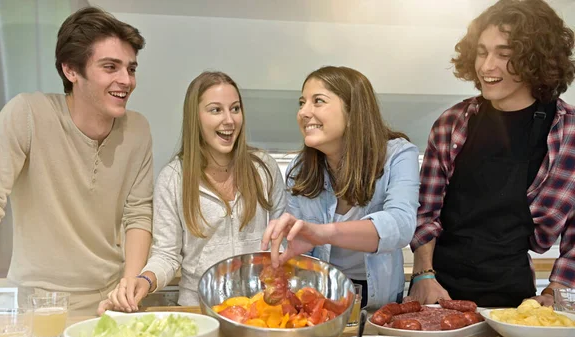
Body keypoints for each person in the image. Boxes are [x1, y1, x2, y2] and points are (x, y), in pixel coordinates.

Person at [0, 7, 153, 315]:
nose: (126, 80)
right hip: (38, 304)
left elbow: (138, 214)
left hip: (108, 300)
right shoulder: (27, 114)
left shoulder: (137, 130)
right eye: (110, 67)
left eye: (131, 69)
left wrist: (128, 286)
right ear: (71, 70)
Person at [409, 0, 575, 308]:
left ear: (536, 60)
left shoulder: (569, 134)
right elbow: (425, 211)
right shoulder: (452, 123)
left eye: (505, 54)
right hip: (437, 291)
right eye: (482, 52)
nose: (487, 67)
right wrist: (422, 276)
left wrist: (556, 290)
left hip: (514, 296)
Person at [98, 71, 286, 313]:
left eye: (235, 109)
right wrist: (143, 281)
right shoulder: (174, 178)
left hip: (258, 310)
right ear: (195, 117)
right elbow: (166, 254)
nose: (229, 120)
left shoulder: (264, 168)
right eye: (216, 110)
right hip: (198, 310)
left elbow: (282, 242)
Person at [262, 66, 420, 309]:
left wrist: (322, 232)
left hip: (380, 300)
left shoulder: (398, 155)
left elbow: (400, 225)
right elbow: (299, 243)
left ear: (353, 111)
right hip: (321, 297)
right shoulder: (299, 169)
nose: (304, 112)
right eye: (302, 102)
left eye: (318, 101)